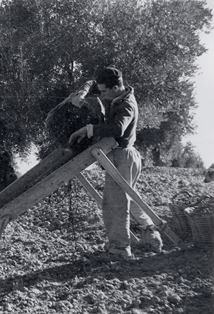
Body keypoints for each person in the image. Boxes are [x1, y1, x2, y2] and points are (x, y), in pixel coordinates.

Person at [67, 66, 163, 259]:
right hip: (126, 157)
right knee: (129, 200)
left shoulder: (127, 104)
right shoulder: (115, 95)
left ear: (115, 87)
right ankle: (151, 233)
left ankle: (120, 250)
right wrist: (82, 93)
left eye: (103, 92)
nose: (100, 95)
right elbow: (91, 83)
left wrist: (89, 129)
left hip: (123, 157)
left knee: (115, 204)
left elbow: (118, 129)